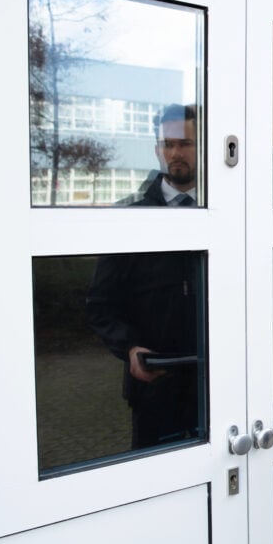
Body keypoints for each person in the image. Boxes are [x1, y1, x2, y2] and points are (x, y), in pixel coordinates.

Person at [86, 103, 206, 449]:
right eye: (168, 145)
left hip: (217, 382)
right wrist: (128, 348)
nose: (176, 153)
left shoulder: (226, 211)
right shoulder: (130, 218)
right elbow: (99, 306)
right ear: (157, 151)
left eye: (184, 143)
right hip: (155, 388)